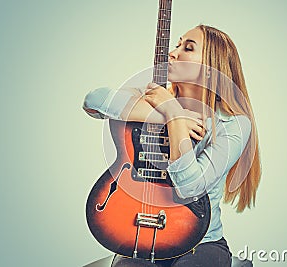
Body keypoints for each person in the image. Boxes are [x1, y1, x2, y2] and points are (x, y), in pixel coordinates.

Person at [83, 24, 261, 267]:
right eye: (177, 44)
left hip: (202, 243)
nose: (173, 53)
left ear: (210, 69)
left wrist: (174, 114)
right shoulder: (152, 99)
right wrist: (166, 114)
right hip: (139, 236)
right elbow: (94, 100)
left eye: (188, 48)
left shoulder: (234, 123)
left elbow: (190, 188)